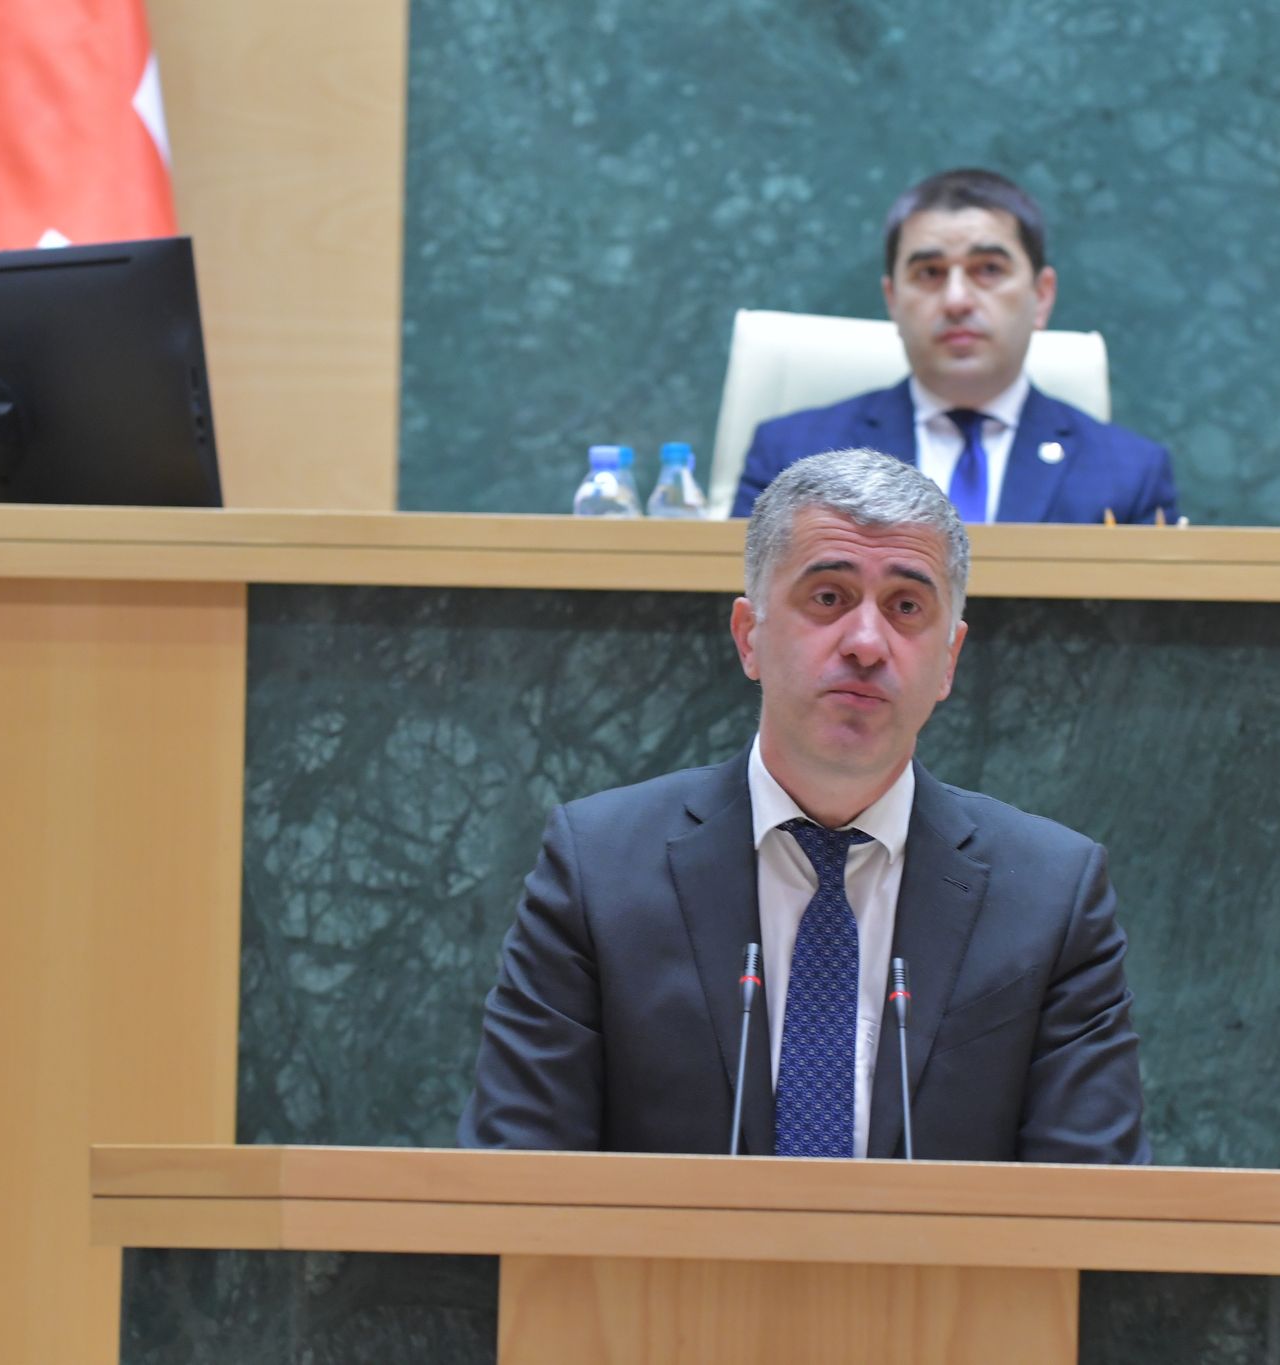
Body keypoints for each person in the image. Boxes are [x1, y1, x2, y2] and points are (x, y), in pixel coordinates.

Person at [467, 449, 1150, 1163]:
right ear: (749, 637)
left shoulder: (1050, 894)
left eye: (906, 607)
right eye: (827, 597)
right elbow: (515, 1174)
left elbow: (1093, 1198)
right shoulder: (599, 868)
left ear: (949, 659)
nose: (866, 644)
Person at [729, 168, 1180, 526]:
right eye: (930, 273)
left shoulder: (1131, 473)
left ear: (1041, 297)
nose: (957, 300)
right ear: (892, 300)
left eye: (988, 269)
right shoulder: (792, 456)